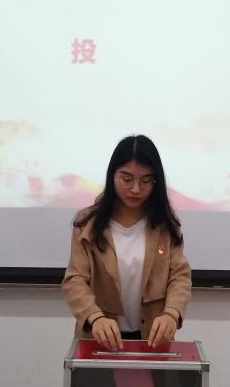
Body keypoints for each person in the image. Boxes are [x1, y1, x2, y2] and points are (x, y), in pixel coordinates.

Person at [62, 135, 191, 351]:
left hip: (152, 338)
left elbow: (179, 276)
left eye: (146, 181)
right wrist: (95, 317)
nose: (136, 189)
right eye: (127, 179)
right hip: (99, 337)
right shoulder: (87, 223)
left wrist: (171, 313)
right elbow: (75, 279)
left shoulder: (166, 224)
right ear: (113, 175)